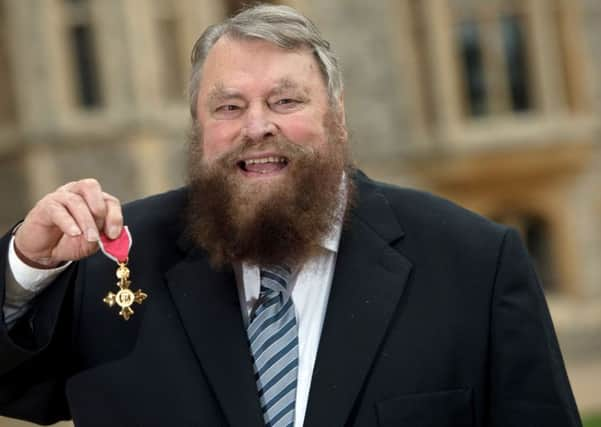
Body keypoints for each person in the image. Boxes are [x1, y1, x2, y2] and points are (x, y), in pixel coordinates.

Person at [0, 4, 582, 427]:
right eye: (229, 106)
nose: (257, 126)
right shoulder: (117, 256)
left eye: (286, 100)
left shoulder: (473, 264)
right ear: (200, 129)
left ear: (338, 116)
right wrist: (24, 264)